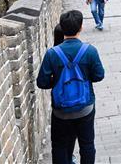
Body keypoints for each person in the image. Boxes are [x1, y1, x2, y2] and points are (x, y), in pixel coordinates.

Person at [36, 10, 105, 164]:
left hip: (61, 111)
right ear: (81, 27)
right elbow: (99, 75)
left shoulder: (52, 54)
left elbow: (42, 82)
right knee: (87, 144)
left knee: (60, 146)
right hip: (85, 108)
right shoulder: (90, 51)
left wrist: (59, 81)